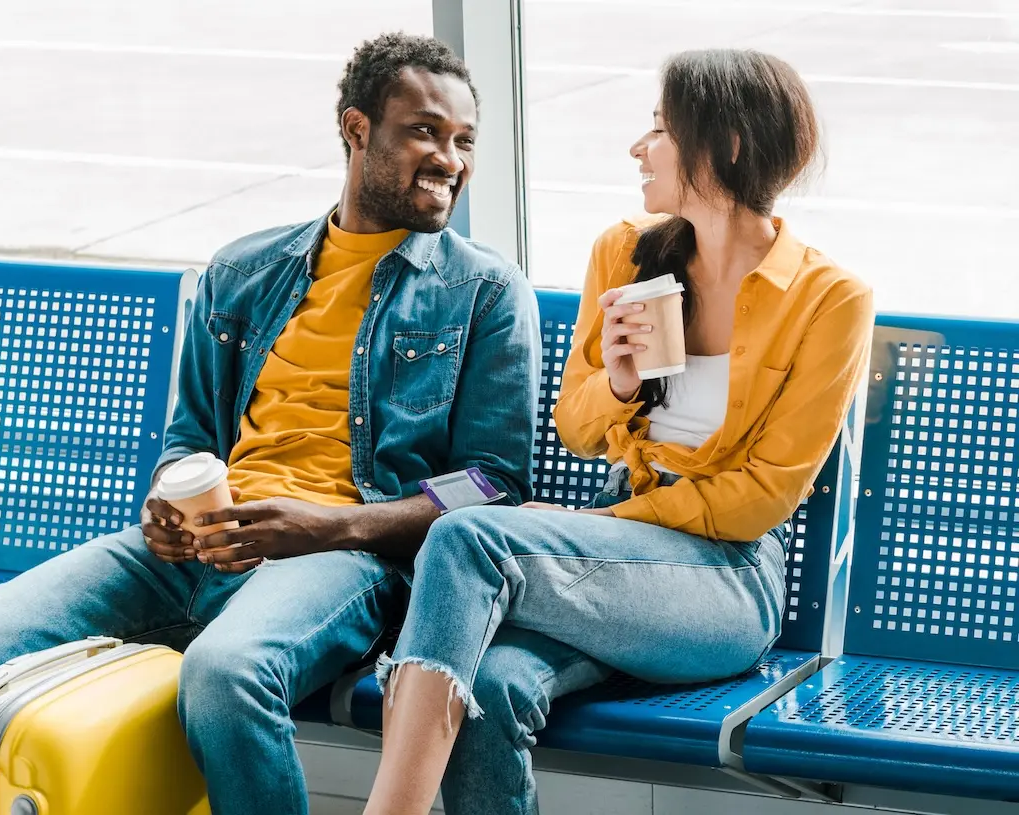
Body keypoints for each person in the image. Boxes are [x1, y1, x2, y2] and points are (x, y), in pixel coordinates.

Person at [0, 32, 541, 815]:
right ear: (357, 130)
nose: (449, 157)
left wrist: (325, 525)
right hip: (190, 551)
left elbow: (492, 484)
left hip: (342, 558)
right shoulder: (244, 271)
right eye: (424, 131)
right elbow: (189, 439)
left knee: (224, 673)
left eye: (464, 140)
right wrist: (167, 505)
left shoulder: (484, 291)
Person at [363, 48, 874, 815]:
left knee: (468, 538)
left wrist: (594, 522)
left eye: (661, 129)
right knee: (494, 687)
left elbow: (759, 501)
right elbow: (576, 426)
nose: (639, 147)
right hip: (611, 562)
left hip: (725, 582)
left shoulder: (828, 298)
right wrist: (623, 383)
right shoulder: (626, 252)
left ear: (726, 145)